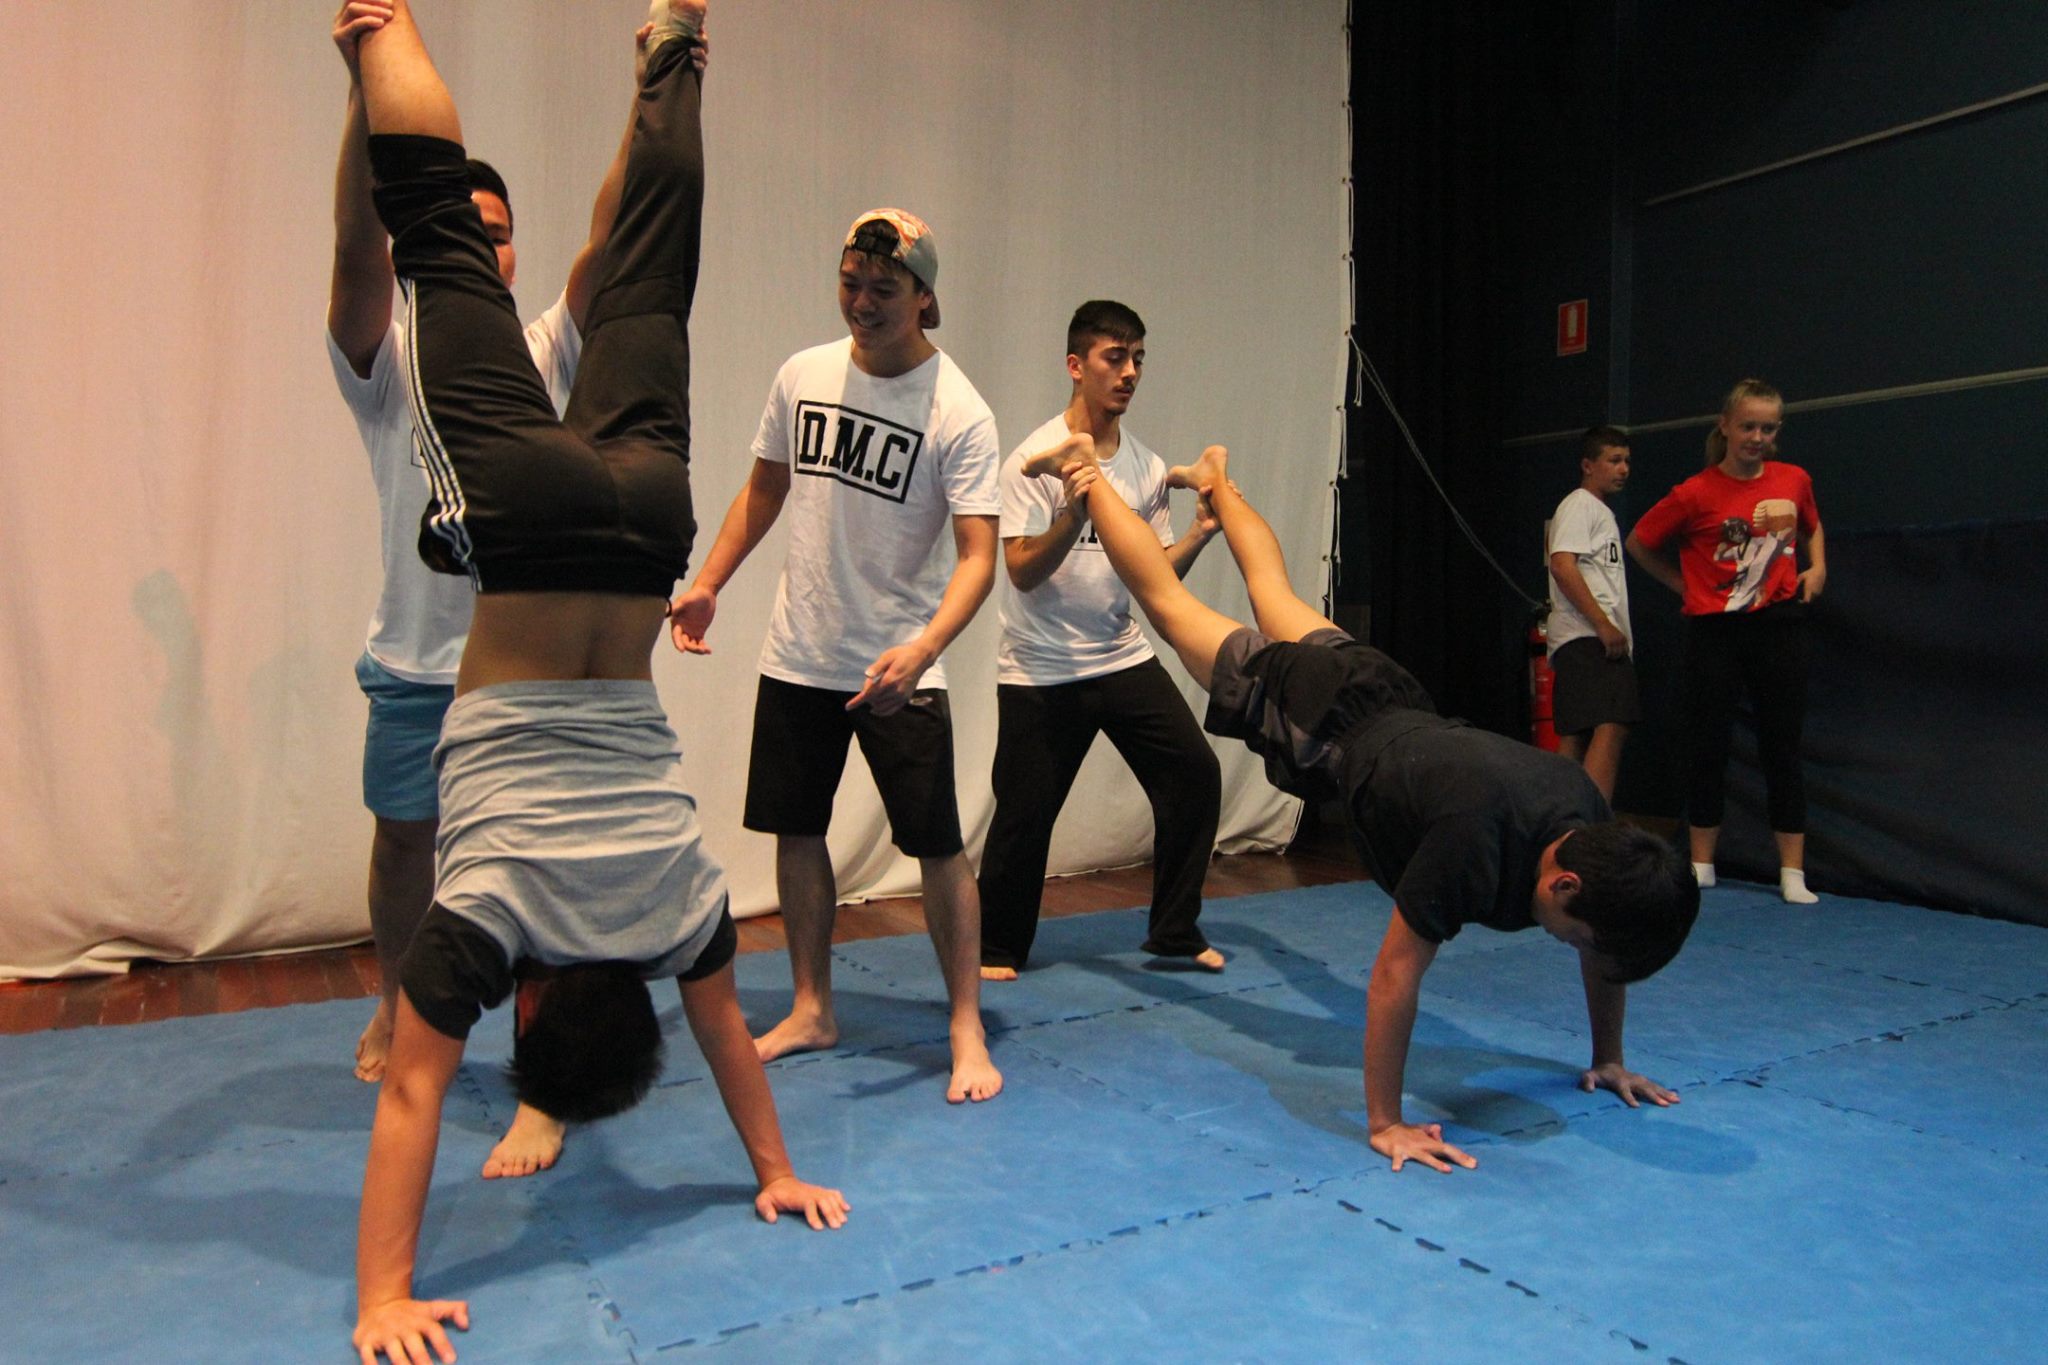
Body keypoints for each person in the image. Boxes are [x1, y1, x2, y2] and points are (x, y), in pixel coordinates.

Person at [340, 4, 846, 1361]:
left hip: (640, 529)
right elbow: (410, 1107)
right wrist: (383, 1293)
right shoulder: (485, 925)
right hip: (526, 527)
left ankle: (675, 55)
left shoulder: (685, 911)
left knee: (646, 276)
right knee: (443, 245)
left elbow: (733, 1042)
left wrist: (774, 1167)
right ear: (538, 1001)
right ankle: (384, 23)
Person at [1020, 437, 1699, 1175]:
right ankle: (1085, 472)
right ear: (1561, 883)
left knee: (1274, 589)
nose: (1575, 951)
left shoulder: (1590, 822)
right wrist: (1387, 1121)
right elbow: (1393, 976)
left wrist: (1609, 1057)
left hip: (1387, 691)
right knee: (1167, 602)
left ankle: (1219, 477)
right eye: (1575, 939)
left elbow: (1607, 954)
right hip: (1322, 716)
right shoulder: (1474, 842)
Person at [327, 0, 693, 1186]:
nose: (487, 250)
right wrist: (361, 101)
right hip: (434, 660)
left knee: (643, 273)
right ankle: (400, 1005)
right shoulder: (396, 357)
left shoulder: (531, 342)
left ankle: (534, 1096)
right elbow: (361, 250)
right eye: (471, 235)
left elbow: (608, 246)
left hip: (531, 665)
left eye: (502, 234)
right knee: (407, 851)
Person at [668, 208, 1004, 1103]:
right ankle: (815, 1003)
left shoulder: (959, 411)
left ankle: (965, 1021)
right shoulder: (802, 374)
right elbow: (763, 489)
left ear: (925, 299)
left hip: (901, 663)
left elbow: (980, 555)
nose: (861, 303)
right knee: (797, 826)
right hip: (799, 650)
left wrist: (924, 644)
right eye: (851, 284)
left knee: (937, 845)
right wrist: (710, 580)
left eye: (884, 291)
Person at [977, 301, 1224, 979]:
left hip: (1118, 654)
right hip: (1040, 665)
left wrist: (1201, 533)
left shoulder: (1144, 468)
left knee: (1195, 775)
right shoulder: (1032, 459)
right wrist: (1075, 509)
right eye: (1115, 357)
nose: (1130, 371)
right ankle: (996, 946)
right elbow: (1022, 571)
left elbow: (1154, 575)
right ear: (1076, 365)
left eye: (1138, 357)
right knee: (1024, 815)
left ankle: (1174, 932)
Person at [1625, 379, 1826, 904]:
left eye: (1767, 428)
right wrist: (1684, 585)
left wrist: (1817, 566)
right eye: (1748, 426)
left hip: (1779, 626)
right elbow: (1640, 543)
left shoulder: (1792, 479)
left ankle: (1792, 872)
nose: (1757, 437)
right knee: (1707, 744)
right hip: (1715, 631)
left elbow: (1811, 525)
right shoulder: (1695, 493)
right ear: (1726, 426)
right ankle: (1701, 861)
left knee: (1781, 745)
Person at [1545, 425, 1638, 803]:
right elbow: (1562, 565)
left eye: (1627, 461)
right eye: (1614, 460)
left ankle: (1562, 822)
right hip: (1588, 636)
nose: (1623, 469)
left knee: (1578, 732)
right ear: (1588, 465)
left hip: (1581, 638)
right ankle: (1593, 824)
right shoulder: (1581, 505)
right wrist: (1603, 623)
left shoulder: (1597, 512)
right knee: (1612, 723)